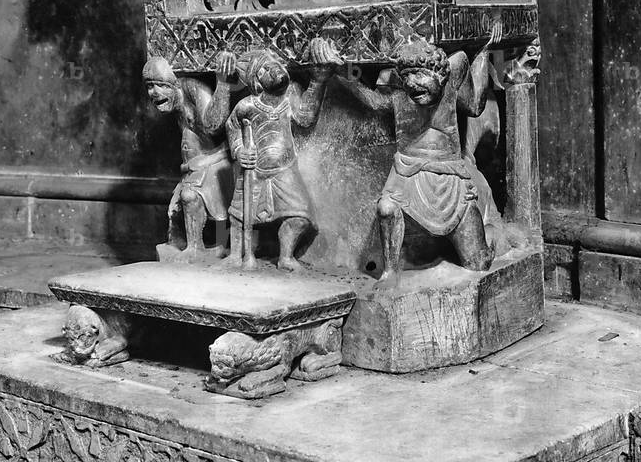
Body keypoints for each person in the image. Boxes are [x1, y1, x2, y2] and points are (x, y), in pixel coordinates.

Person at [338, 24, 504, 285]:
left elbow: (474, 106)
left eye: (421, 77)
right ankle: (390, 271)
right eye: (409, 79)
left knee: (479, 262)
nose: (415, 86)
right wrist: (337, 73)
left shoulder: (452, 80)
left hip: (450, 178)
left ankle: (489, 231)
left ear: (439, 74)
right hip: (408, 172)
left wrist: (484, 52)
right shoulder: (401, 93)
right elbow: (373, 102)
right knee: (386, 207)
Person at [225, 39, 341, 271]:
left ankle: (286, 257)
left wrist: (317, 82)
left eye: (273, 64)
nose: (273, 69)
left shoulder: (291, 96)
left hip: (284, 170)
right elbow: (232, 127)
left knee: (300, 216)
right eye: (265, 70)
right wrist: (239, 151)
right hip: (255, 170)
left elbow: (306, 118)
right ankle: (236, 254)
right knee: (239, 216)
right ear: (257, 83)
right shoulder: (246, 106)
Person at [143, 53, 236, 256]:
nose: (154, 92)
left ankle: (196, 248)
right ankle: (191, 245)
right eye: (149, 86)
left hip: (217, 160)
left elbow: (213, 125)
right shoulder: (177, 102)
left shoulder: (193, 88)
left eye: (161, 85)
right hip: (194, 167)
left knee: (189, 197)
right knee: (176, 209)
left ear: (174, 83)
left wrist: (223, 84)